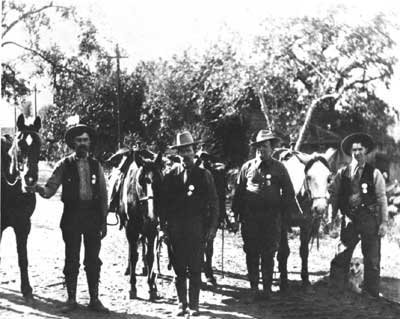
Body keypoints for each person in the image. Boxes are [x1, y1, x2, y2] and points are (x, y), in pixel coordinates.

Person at [31, 124, 109, 312]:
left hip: (92, 217)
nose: (82, 143)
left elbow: (103, 194)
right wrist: (37, 188)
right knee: (71, 258)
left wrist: (103, 220)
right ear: (73, 144)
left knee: (93, 259)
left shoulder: (96, 165)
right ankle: (71, 299)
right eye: (79, 140)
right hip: (72, 216)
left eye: (85, 140)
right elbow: (50, 189)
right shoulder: (64, 165)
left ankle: (95, 299)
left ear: (90, 143)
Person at [232, 129, 297, 301]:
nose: (262, 150)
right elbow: (238, 194)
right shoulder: (247, 167)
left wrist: (284, 215)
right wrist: (235, 216)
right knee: (251, 252)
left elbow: (289, 193)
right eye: (259, 146)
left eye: (265, 146)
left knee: (269, 253)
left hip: (271, 219)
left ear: (272, 148)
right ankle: (254, 287)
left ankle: (267, 289)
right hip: (250, 219)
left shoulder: (279, 168)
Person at [160, 131, 219, 316]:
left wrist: (212, 228)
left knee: (195, 268)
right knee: (179, 270)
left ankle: (194, 305)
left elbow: (214, 202)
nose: (185, 154)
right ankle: (181, 304)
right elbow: (163, 205)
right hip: (176, 229)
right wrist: (163, 229)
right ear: (177, 154)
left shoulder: (205, 175)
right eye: (181, 151)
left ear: (194, 151)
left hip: (197, 227)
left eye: (188, 150)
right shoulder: (170, 176)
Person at [330, 132, 388, 297]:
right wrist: (331, 219)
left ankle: (371, 293)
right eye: (354, 150)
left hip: (369, 219)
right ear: (350, 152)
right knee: (341, 255)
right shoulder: (342, 173)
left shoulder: (375, 173)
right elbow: (334, 196)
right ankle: (337, 290)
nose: (357, 153)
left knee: (372, 259)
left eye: (360, 149)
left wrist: (383, 223)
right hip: (349, 219)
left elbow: (382, 199)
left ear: (366, 150)